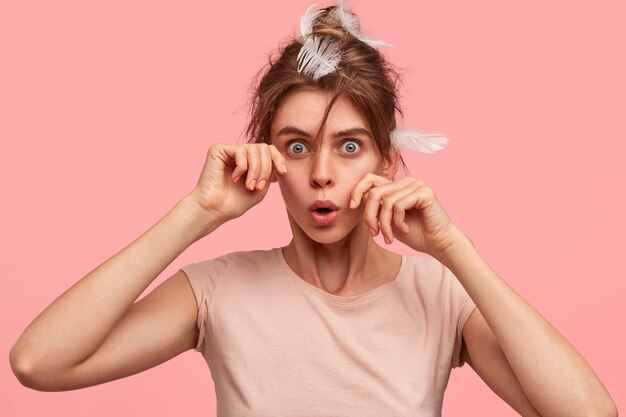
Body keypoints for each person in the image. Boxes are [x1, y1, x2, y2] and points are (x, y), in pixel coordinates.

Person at [9, 2, 617, 416]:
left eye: (348, 146)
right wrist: (199, 211)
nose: (321, 173)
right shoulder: (219, 291)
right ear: (267, 158)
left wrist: (457, 251)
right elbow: (39, 363)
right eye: (296, 147)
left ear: (386, 161)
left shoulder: (444, 297)